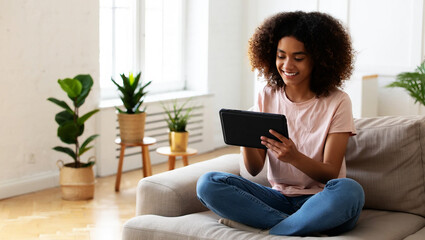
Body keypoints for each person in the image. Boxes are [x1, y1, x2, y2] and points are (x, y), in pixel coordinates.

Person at [196, 11, 365, 236]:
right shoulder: (267, 95)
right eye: (281, 55)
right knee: (208, 183)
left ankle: (271, 229)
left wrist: (294, 157)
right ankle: (291, 227)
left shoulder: (338, 101)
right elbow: (255, 169)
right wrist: (244, 136)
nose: (287, 65)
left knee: (350, 190)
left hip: (322, 201)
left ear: (318, 59)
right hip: (277, 199)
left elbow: (331, 173)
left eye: (298, 57)